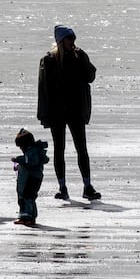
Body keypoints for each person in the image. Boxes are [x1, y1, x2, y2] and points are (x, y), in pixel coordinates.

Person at [37, 25, 101, 201]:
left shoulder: (79, 56)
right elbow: (43, 88)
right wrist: (44, 113)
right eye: (69, 39)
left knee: (82, 148)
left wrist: (83, 58)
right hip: (57, 112)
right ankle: (62, 187)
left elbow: (91, 76)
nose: (72, 42)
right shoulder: (49, 60)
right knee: (60, 149)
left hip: (76, 110)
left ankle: (87, 186)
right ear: (60, 41)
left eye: (73, 38)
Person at [12, 128, 49, 227]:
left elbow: (31, 161)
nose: (20, 149)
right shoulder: (33, 151)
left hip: (31, 178)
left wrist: (19, 159)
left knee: (27, 196)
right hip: (32, 178)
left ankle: (27, 216)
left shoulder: (32, 153)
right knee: (29, 197)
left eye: (21, 146)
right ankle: (30, 215)